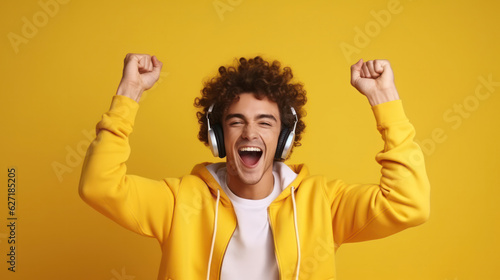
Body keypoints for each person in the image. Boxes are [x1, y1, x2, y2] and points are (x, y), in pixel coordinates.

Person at [79, 53, 430, 280]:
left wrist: (384, 101)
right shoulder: (179, 202)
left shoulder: (322, 203)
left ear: (284, 137)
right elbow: (99, 185)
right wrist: (130, 92)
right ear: (217, 135)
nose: (250, 132)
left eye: (265, 122)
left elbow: (408, 204)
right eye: (236, 122)